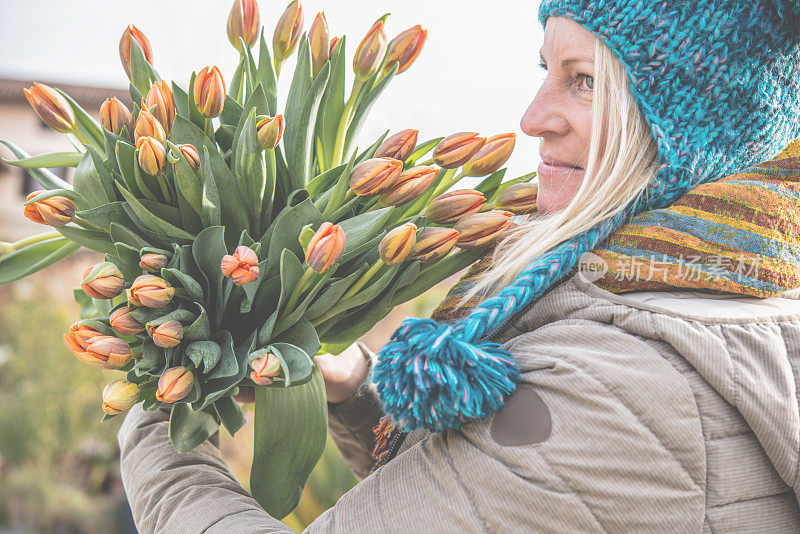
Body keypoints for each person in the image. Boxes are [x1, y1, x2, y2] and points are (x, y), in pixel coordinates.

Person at [117, 1, 800, 532]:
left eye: (585, 81)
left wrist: (158, 413)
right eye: (546, 72)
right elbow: (485, 498)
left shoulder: (622, 392)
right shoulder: (724, 303)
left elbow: (551, 458)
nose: (534, 119)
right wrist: (352, 390)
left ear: (692, 129)